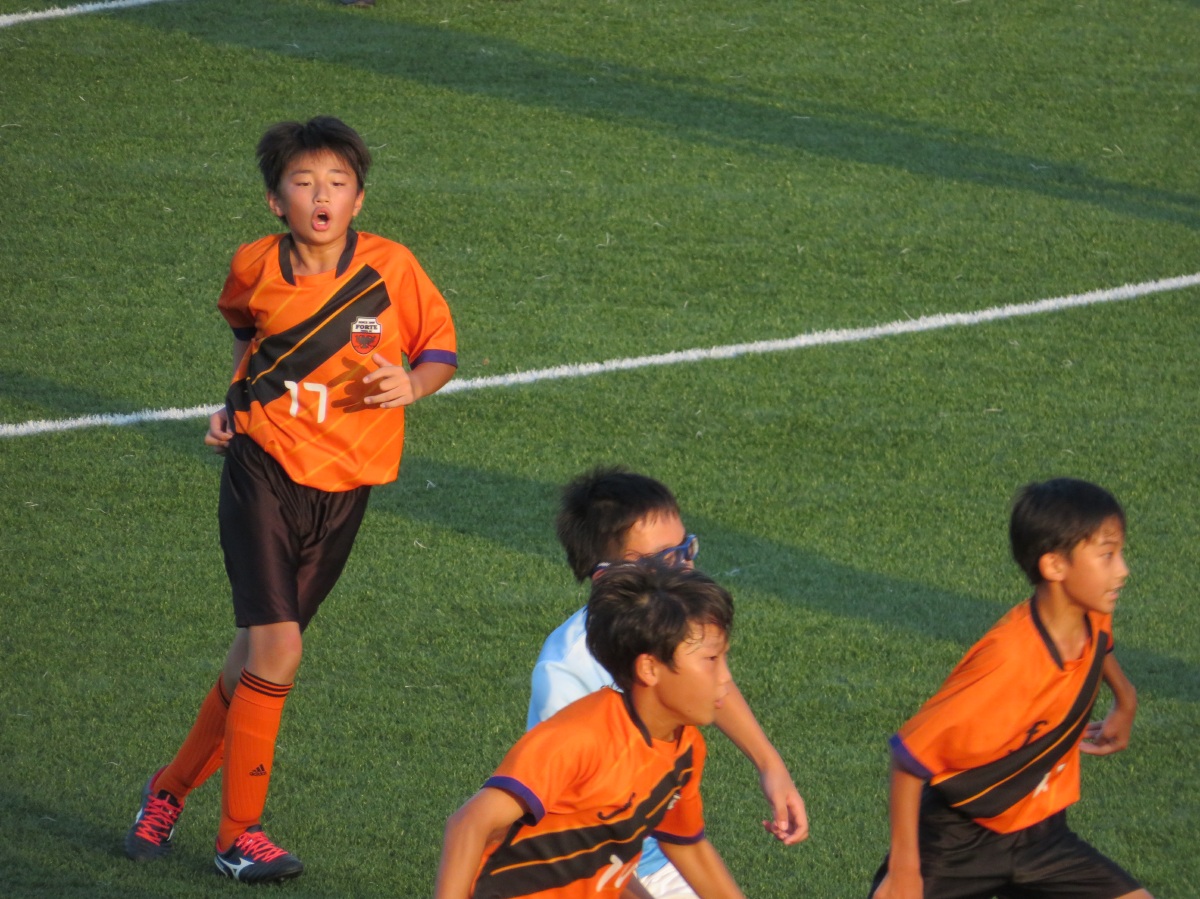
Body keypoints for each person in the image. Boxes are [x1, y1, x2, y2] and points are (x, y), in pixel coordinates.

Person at [122, 115, 457, 884]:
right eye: (304, 182)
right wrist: (235, 401)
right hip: (263, 469)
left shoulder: (392, 269)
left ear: (359, 198)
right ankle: (238, 834)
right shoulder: (253, 265)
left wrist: (414, 383)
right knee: (279, 649)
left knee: (255, 654)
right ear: (277, 200)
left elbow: (440, 349)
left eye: (337, 183)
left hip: (346, 488)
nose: (321, 195)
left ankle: (167, 790)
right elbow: (247, 334)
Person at [529, 467, 807, 898]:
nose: (687, 567)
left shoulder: (673, 620)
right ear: (608, 574)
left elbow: (711, 684)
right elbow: (570, 838)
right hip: (594, 871)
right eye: (666, 558)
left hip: (658, 849)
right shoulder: (565, 675)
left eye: (686, 549)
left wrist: (770, 765)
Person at [869, 478, 1153, 899]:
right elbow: (908, 757)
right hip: (955, 843)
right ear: (1054, 566)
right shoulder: (1007, 660)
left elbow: (1100, 643)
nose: (1123, 569)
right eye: (1107, 555)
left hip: (1043, 837)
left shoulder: (1089, 610)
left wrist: (1125, 698)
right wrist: (906, 871)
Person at [436, 561, 747, 898]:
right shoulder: (580, 736)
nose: (726, 677)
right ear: (649, 668)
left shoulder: (684, 747)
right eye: (712, 660)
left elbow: (686, 846)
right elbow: (468, 823)